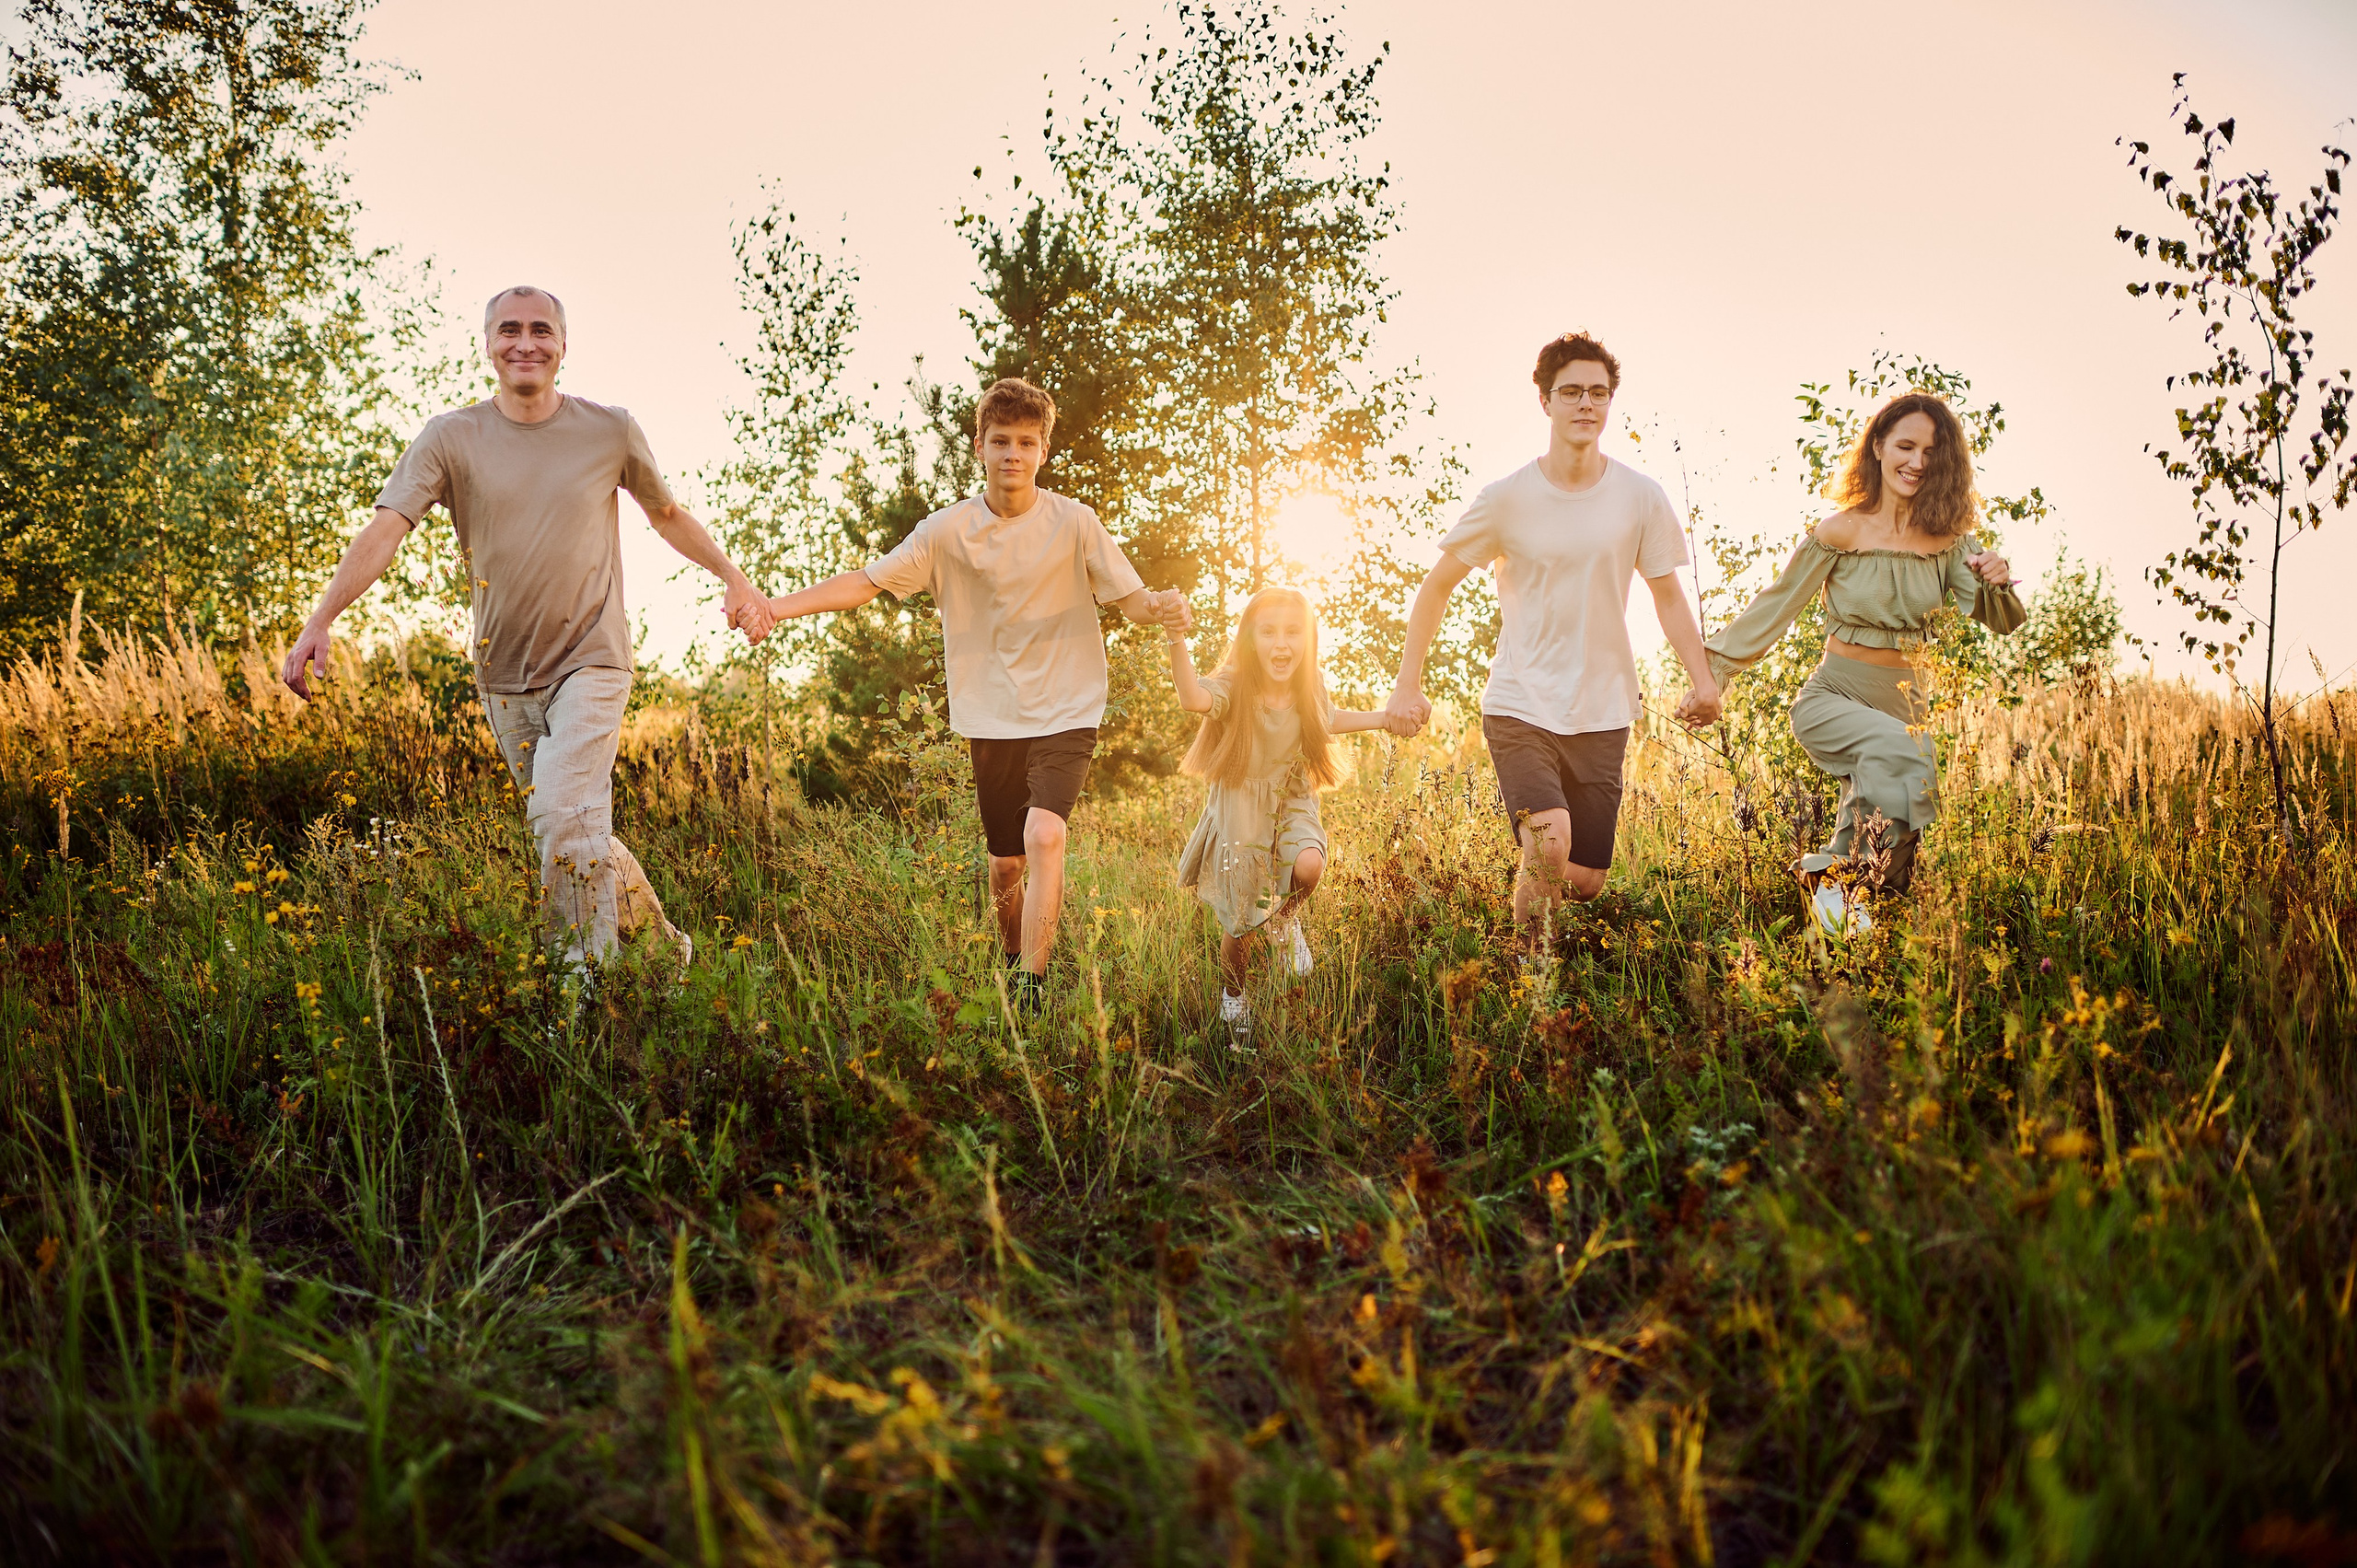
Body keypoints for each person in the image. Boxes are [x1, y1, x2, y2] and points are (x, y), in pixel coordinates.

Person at [282, 285, 775, 972]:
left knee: (561, 814)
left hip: (593, 657)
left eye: (541, 330)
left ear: (563, 346)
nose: (525, 342)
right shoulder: (450, 437)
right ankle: (664, 954)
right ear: (488, 345)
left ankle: (584, 990)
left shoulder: (609, 429)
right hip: (503, 675)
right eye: (509, 329)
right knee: (574, 824)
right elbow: (386, 527)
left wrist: (733, 575)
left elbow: (666, 514)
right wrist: (322, 617)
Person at [761, 377, 1188, 1011]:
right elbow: (866, 582)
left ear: (1043, 451)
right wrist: (776, 607)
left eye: (1026, 442)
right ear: (979, 448)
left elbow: (1132, 602)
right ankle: (1013, 957)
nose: (1013, 453)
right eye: (1000, 441)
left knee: (1046, 835)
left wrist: (1160, 605)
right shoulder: (945, 531)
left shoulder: (1075, 523)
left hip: (1068, 705)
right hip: (991, 715)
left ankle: (1031, 993)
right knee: (1006, 867)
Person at [1386, 331, 1719, 970]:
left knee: (1586, 875)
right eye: (1571, 392)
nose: (1585, 404)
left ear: (1609, 402)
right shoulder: (1508, 497)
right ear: (1545, 401)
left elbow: (1669, 598)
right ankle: (1526, 979)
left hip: (1602, 707)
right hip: (1521, 700)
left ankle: (1522, 902)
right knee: (1549, 843)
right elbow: (1435, 588)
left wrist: (1702, 679)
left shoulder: (1639, 496)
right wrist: (1409, 681)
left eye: (1598, 392)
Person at [1678, 390, 2024, 935]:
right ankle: (1837, 895)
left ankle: (1843, 935)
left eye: (1931, 452)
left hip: (1906, 704)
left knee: (1893, 828)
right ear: (1879, 447)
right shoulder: (1840, 531)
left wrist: (1996, 578)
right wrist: (1710, 677)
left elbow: (2001, 620)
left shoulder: (1949, 543)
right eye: (1906, 446)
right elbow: (1776, 605)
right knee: (1903, 754)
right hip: (1832, 696)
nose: (1917, 462)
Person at [1165, 587, 1398, 1051]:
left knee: (1309, 865)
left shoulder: (1308, 686)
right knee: (1240, 922)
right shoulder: (1234, 684)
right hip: (1240, 811)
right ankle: (1234, 998)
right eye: (1268, 632)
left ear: (1308, 639)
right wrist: (1176, 637)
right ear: (1250, 638)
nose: (1281, 644)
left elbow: (1329, 718)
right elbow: (1193, 697)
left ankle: (1284, 921)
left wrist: (1386, 718)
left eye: (1293, 632)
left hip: (1291, 800)